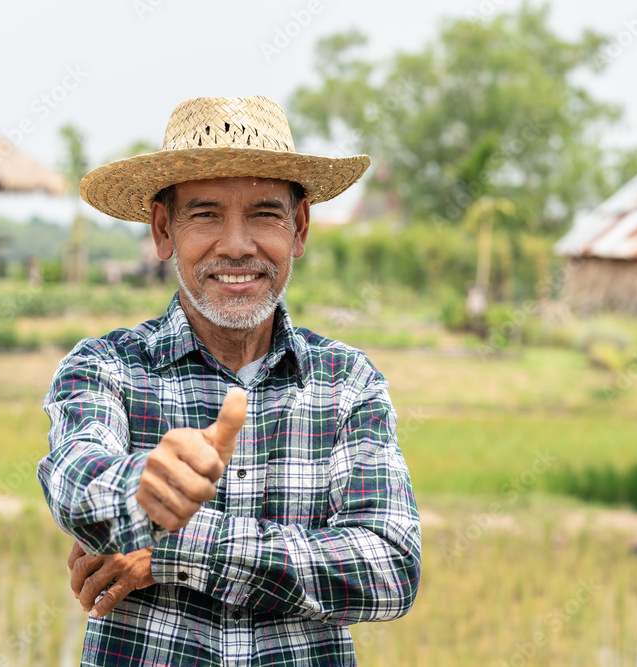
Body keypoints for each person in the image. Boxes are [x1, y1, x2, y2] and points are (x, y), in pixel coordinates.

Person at [37, 96, 422, 666]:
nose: (238, 244)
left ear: (299, 229)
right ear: (164, 231)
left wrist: (167, 550)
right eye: (206, 214)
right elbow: (78, 485)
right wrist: (146, 489)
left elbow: (389, 567)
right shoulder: (105, 367)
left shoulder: (348, 382)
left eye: (265, 213)